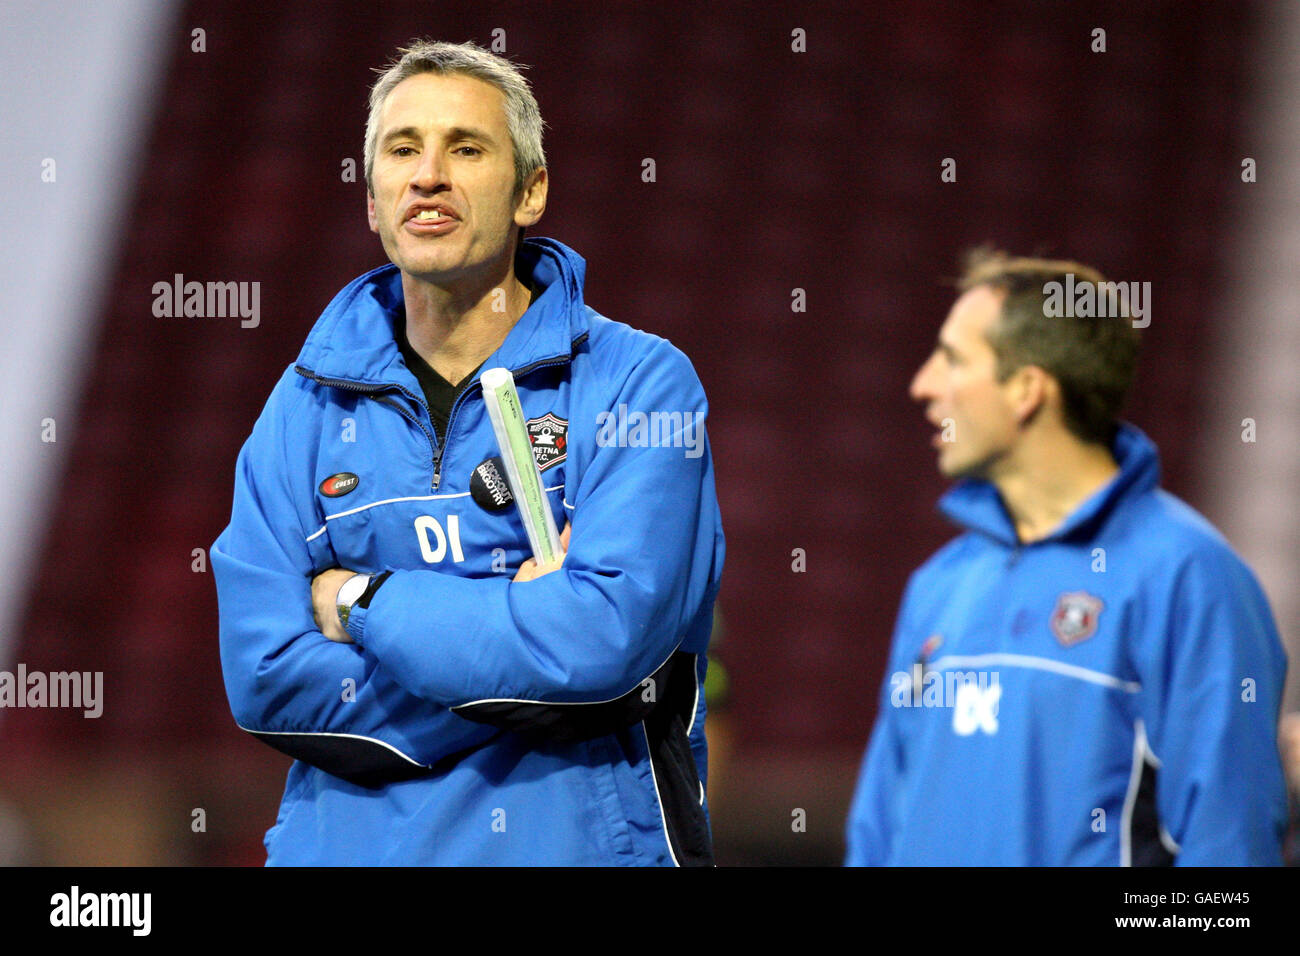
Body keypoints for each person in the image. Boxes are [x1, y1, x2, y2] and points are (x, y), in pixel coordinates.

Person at [212, 40, 724, 866]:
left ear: (532, 190)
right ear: (373, 200)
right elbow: (266, 676)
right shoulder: (302, 406)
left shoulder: (640, 385)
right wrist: (525, 663)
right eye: (403, 149)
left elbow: (602, 645)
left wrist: (362, 604)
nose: (429, 176)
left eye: (467, 148)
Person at [845, 249, 1288, 866]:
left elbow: (1227, 854)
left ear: (1027, 389)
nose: (922, 385)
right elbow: (878, 832)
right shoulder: (938, 584)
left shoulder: (1189, 578)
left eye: (952, 358)